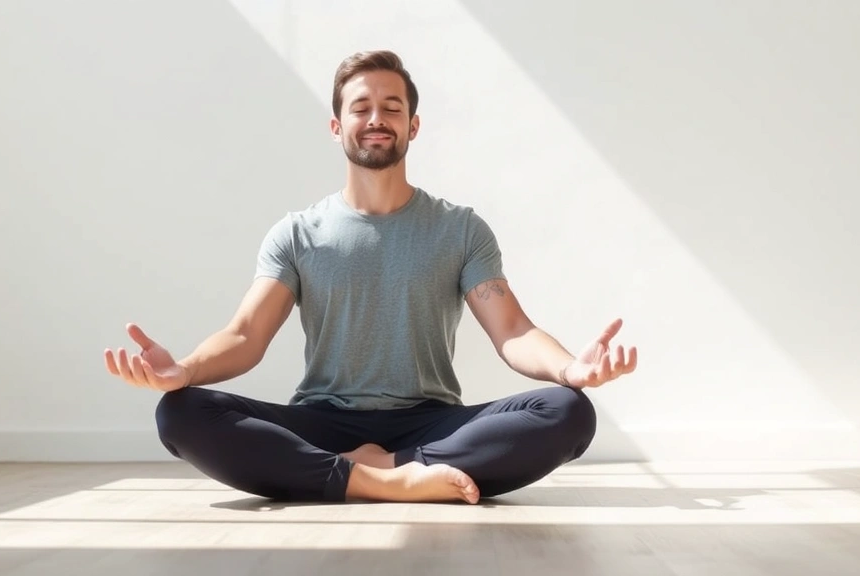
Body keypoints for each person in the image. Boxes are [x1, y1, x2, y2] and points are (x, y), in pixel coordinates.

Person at [104, 50, 637, 504]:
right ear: (337, 127)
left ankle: (367, 470)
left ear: (413, 126)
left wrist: (569, 367)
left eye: (392, 108)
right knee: (180, 413)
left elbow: (513, 331)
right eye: (361, 108)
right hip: (324, 420)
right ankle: (396, 479)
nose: (376, 118)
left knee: (568, 410)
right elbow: (245, 335)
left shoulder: (460, 229)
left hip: (430, 420)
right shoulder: (297, 233)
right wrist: (184, 370)